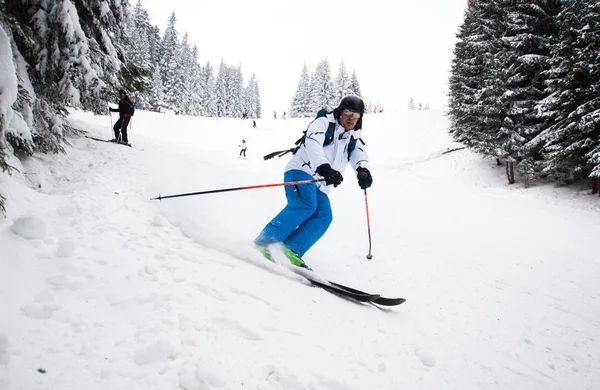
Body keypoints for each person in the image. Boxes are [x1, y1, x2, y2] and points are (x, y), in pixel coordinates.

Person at [254, 95, 373, 269]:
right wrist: (324, 167)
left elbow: (359, 154)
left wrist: (363, 170)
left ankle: (290, 250)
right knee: (306, 204)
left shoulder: (353, 137)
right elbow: (313, 144)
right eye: (348, 112)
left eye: (356, 115)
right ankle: (264, 242)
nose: (351, 118)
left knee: (323, 216)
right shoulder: (323, 124)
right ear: (341, 111)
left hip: (321, 183)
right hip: (300, 170)